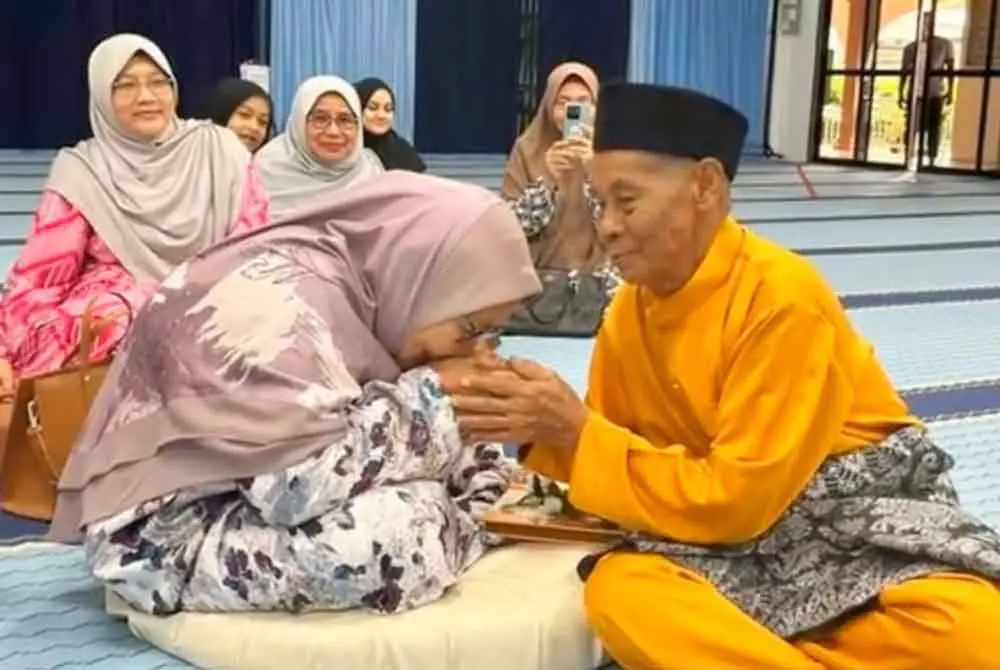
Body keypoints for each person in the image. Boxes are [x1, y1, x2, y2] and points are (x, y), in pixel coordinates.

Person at [450, 83, 1000, 668]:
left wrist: (578, 433)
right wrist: (535, 422)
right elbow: (606, 465)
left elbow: (737, 503)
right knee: (622, 591)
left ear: (705, 186)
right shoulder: (628, 314)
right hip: (720, 553)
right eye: (597, 204)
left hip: (847, 535)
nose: (606, 227)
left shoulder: (782, 296)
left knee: (972, 629)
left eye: (626, 201)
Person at [49, 171, 542, 617]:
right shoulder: (281, 304)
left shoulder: (370, 286)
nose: (476, 352)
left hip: (255, 492)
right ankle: (459, 529)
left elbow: (377, 415)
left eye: (493, 334)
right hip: (169, 538)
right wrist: (438, 403)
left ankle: (457, 520)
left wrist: (479, 458)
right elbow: (292, 489)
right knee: (390, 535)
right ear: (424, 277)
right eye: (470, 328)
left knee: (462, 479)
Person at [0, 34, 269, 392]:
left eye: (158, 82)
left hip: (215, 298)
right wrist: (5, 351)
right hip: (117, 325)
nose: (146, 96)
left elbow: (255, 244)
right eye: (125, 86)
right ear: (101, 96)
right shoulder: (83, 170)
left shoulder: (220, 150)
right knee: (108, 318)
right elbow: (41, 277)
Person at [502, 62, 603, 271]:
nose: (571, 113)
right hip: (539, 276)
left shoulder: (612, 149)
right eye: (562, 103)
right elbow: (511, 226)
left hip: (600, 276)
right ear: (548, 106)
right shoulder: (527, 149)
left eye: (583, 103)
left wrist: (596, 172)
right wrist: (546, 181)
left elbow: (623, 221)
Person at [255, 76, 384, 217]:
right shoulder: (266, 170)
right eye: (320, 119)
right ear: (299, 122)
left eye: (345, 120)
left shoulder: (371, 173)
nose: (333, 132)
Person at [899, 35, 955, 166]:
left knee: (933, 126)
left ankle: (931, 157)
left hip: (935, 92)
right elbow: (904, 71)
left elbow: (950, 69)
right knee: (912, 125)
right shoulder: (911, 47)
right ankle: (910, 154)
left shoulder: (944, 44)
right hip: (917, 92)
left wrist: (950, 91)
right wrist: (900, 93)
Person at [354, 77, 426, 173]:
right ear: (356, 108)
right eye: (372, 108)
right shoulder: (343, 148)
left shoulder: (403, 152)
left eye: (388, 109)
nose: (381, 115)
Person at [201, 77, 273, 153]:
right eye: (245, 115)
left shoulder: (266, 163)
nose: (254, 127)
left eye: (263, 122)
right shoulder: (195, 158)